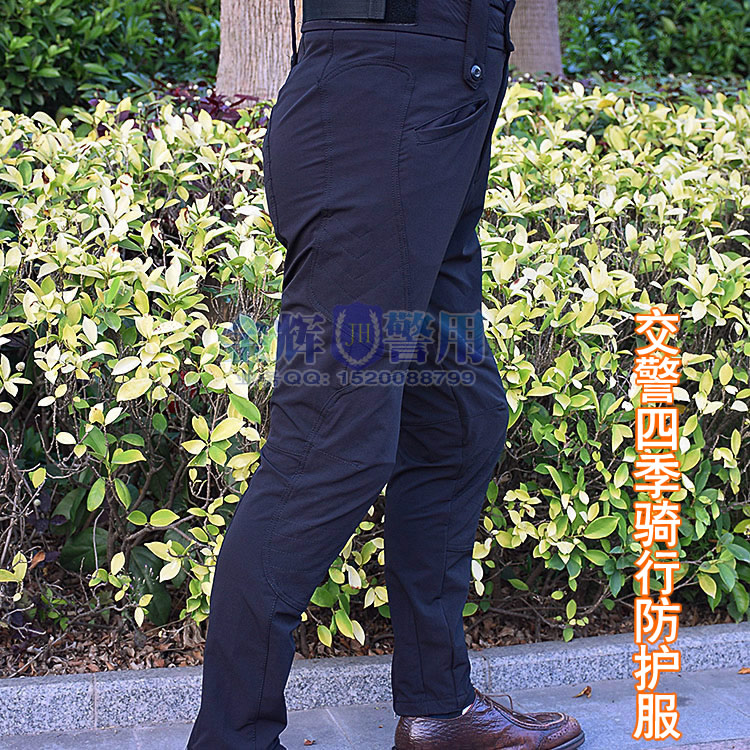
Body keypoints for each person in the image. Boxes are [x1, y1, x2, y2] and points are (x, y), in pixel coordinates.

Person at [187, 0, 586, 748]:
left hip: (444, 117)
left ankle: (438, 707)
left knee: (455, 422)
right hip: (375, 112)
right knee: (329, 450)